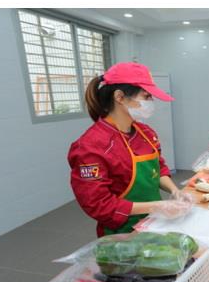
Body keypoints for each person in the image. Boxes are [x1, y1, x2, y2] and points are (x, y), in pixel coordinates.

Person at [68, 62, 193, 237]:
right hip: (122, 232)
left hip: (154, 222)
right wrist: (157, 206)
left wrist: (175, 191)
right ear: (119, 97)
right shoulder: (91, 147)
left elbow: (158, 169)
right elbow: (98, 204)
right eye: (146, 96)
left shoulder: (146, 133)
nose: (151, 102)